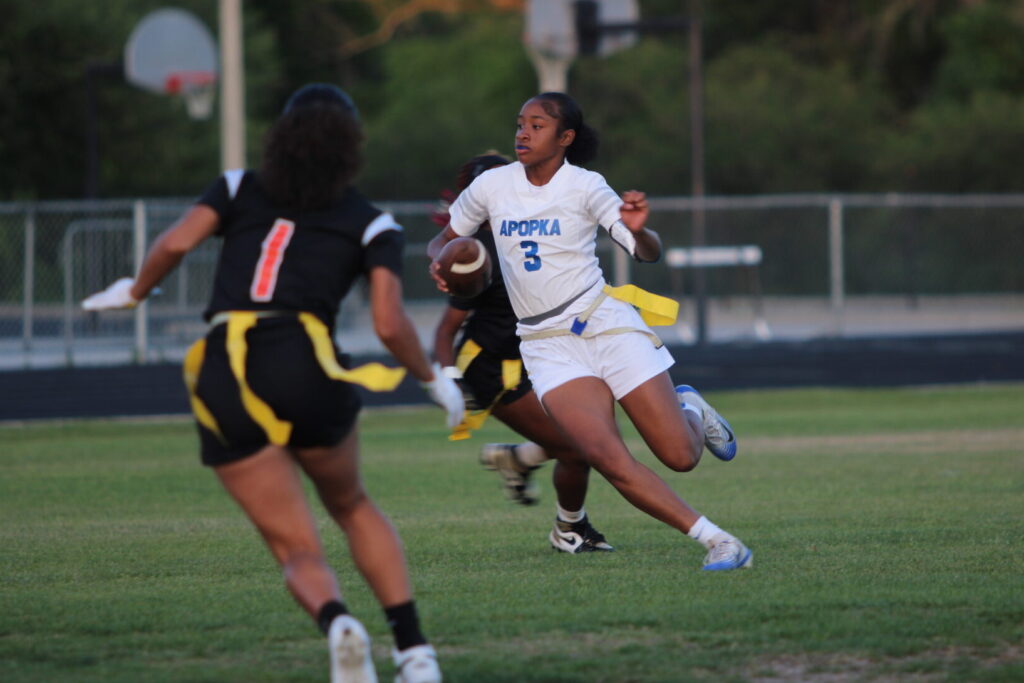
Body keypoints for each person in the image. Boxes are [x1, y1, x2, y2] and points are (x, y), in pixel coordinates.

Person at [82, 84, 459, 683]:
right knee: (352, 505)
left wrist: (133, 292)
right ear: (350, 146)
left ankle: (338, 622)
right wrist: (432, 379)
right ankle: (414, 652)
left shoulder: (237, 187)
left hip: (224, 366)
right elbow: (389, 322)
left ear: (281, 135)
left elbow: (176, 241)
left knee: (295, 546)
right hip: (303, 360)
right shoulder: (371, 221)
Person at [427, 92, 753, 571]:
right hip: (546, 346)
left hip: (605, 325)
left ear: (565, 138)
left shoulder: (585, 185)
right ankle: (720, 543)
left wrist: (640, 230)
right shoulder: (493, 185)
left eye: (537, 126)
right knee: (607, 457)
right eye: (520, 124)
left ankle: (688, 406)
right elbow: (446, 238)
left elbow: (647, 252)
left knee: (681, 457)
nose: (523, 133)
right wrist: (438, 259)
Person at [432, 153, 613, 553]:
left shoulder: (529, 230)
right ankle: (570, 528)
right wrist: (450, 382)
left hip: (537, 355)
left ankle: (521, 459)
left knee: (597, 423)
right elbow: (445, 330)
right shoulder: (476, 251)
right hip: (493, 370)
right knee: (578, 447)